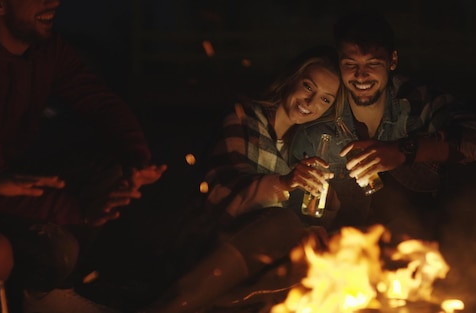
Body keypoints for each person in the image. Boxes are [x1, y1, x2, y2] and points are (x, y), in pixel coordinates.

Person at [288, 11, 476, 307]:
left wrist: (402, 152)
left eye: (372, 65)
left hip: (427, 247)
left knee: (473, 179)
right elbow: (301, 213)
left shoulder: (414, 102)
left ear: (392, 61)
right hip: (353, 258)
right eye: (351, 65)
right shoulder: (319, 129)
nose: (361, 76)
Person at [0, 0, 166, 311]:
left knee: (110, 173)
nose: (52, 2)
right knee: (58, 250)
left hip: (8, 182)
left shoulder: (46, 50)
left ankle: (67, 279)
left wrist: (135, 160)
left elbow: (99, 102)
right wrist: (78, 211)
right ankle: (37, 293)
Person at [138, 45, 341, 313]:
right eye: (308, 86)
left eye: (325, 99)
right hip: (204, 244)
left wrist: (316, 224)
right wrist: (283, 184)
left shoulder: (298, 149)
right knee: (284, 223)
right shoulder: (243, 117)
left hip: (256, 258)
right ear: (291, 79)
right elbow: (221, 191)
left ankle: (219, 305)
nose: (311, 102)